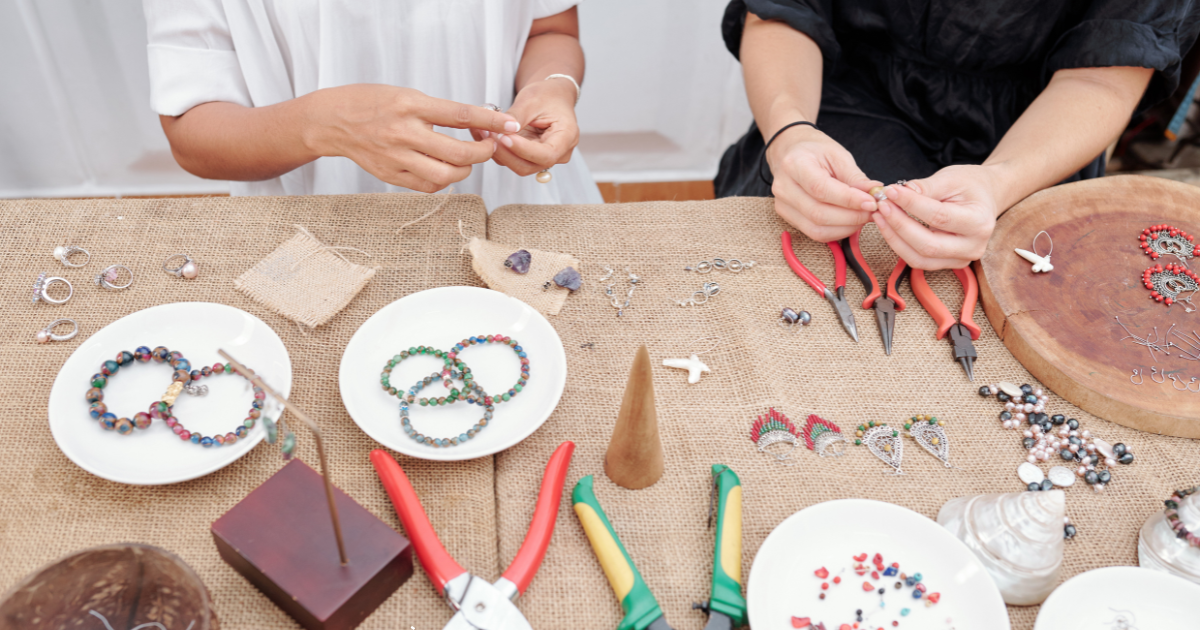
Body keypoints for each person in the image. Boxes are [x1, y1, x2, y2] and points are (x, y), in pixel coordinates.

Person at [716, 0, 1200, 269]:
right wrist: (790, 131)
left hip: (1032, 143)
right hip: (837, 101)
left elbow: (1098, 77)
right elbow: (784, 8)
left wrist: (998, 183)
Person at [143, 0, 604, 210]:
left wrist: (554, 86)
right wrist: (320, 124)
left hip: (511, 195)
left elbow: (551, 30)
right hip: (311, 218)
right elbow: (192, 132)